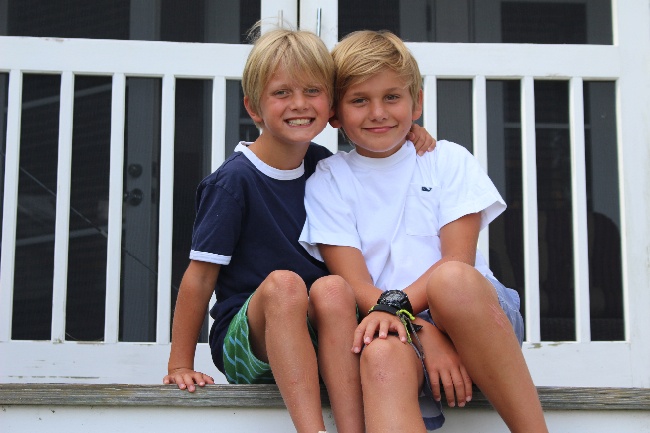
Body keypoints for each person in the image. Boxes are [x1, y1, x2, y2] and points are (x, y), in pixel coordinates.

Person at [163, 27, 435, 433]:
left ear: (331, 107)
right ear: (254, 108)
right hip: (249, 341)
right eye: (282, 93)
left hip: (318, 338)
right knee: (287, 285)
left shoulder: (325, 167)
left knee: (332, 287)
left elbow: (378, 155)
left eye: (312, 91)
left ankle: (352, 428)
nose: (299, 104)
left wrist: (412, 135)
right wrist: (180, 364)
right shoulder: (233, 182)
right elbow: (200, 278)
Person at [299, 30, 549, 433]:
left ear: (417, 102)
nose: (378, 112)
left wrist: (407, 313)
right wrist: (419, 328)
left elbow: (458, 260)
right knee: (379, 356)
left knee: (451, 279)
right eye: (359, 100)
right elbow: (353, 282)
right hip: (392, 325)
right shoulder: (329, 179)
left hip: (474, 316)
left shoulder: (446, 159)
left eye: (392, 97)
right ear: (335, 114)